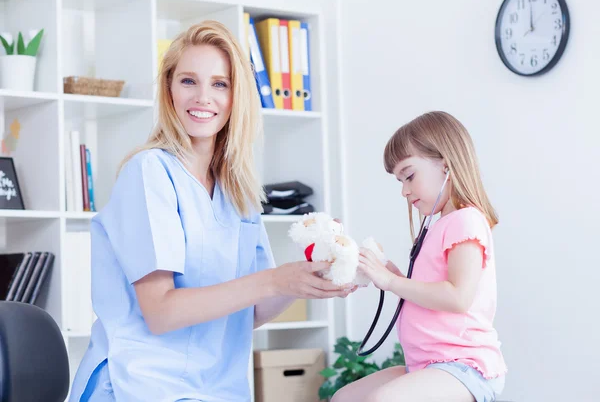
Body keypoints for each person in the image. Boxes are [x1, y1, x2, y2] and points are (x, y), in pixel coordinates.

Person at [68, 20, 353, 402]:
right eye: (188, 81)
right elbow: (161, 313)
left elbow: (249, 313)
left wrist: (306, 277)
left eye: (220, 84)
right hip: (141, 386)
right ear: (169, 89)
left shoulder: (239, 192)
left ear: (237, 97)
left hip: (217, 390)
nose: (203, 97)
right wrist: (274, 280)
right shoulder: (149, 172)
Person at [333, 111, 507, 402]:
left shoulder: (466, 220)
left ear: (446, 165)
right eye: (400, 181)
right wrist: (393, 276)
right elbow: (431, 294)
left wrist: (391, 281)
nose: (404, 190)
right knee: (344, 398)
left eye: (409, 175)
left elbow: (457, 297)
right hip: (428, 365)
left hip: (465, 367)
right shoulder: (441, 225)